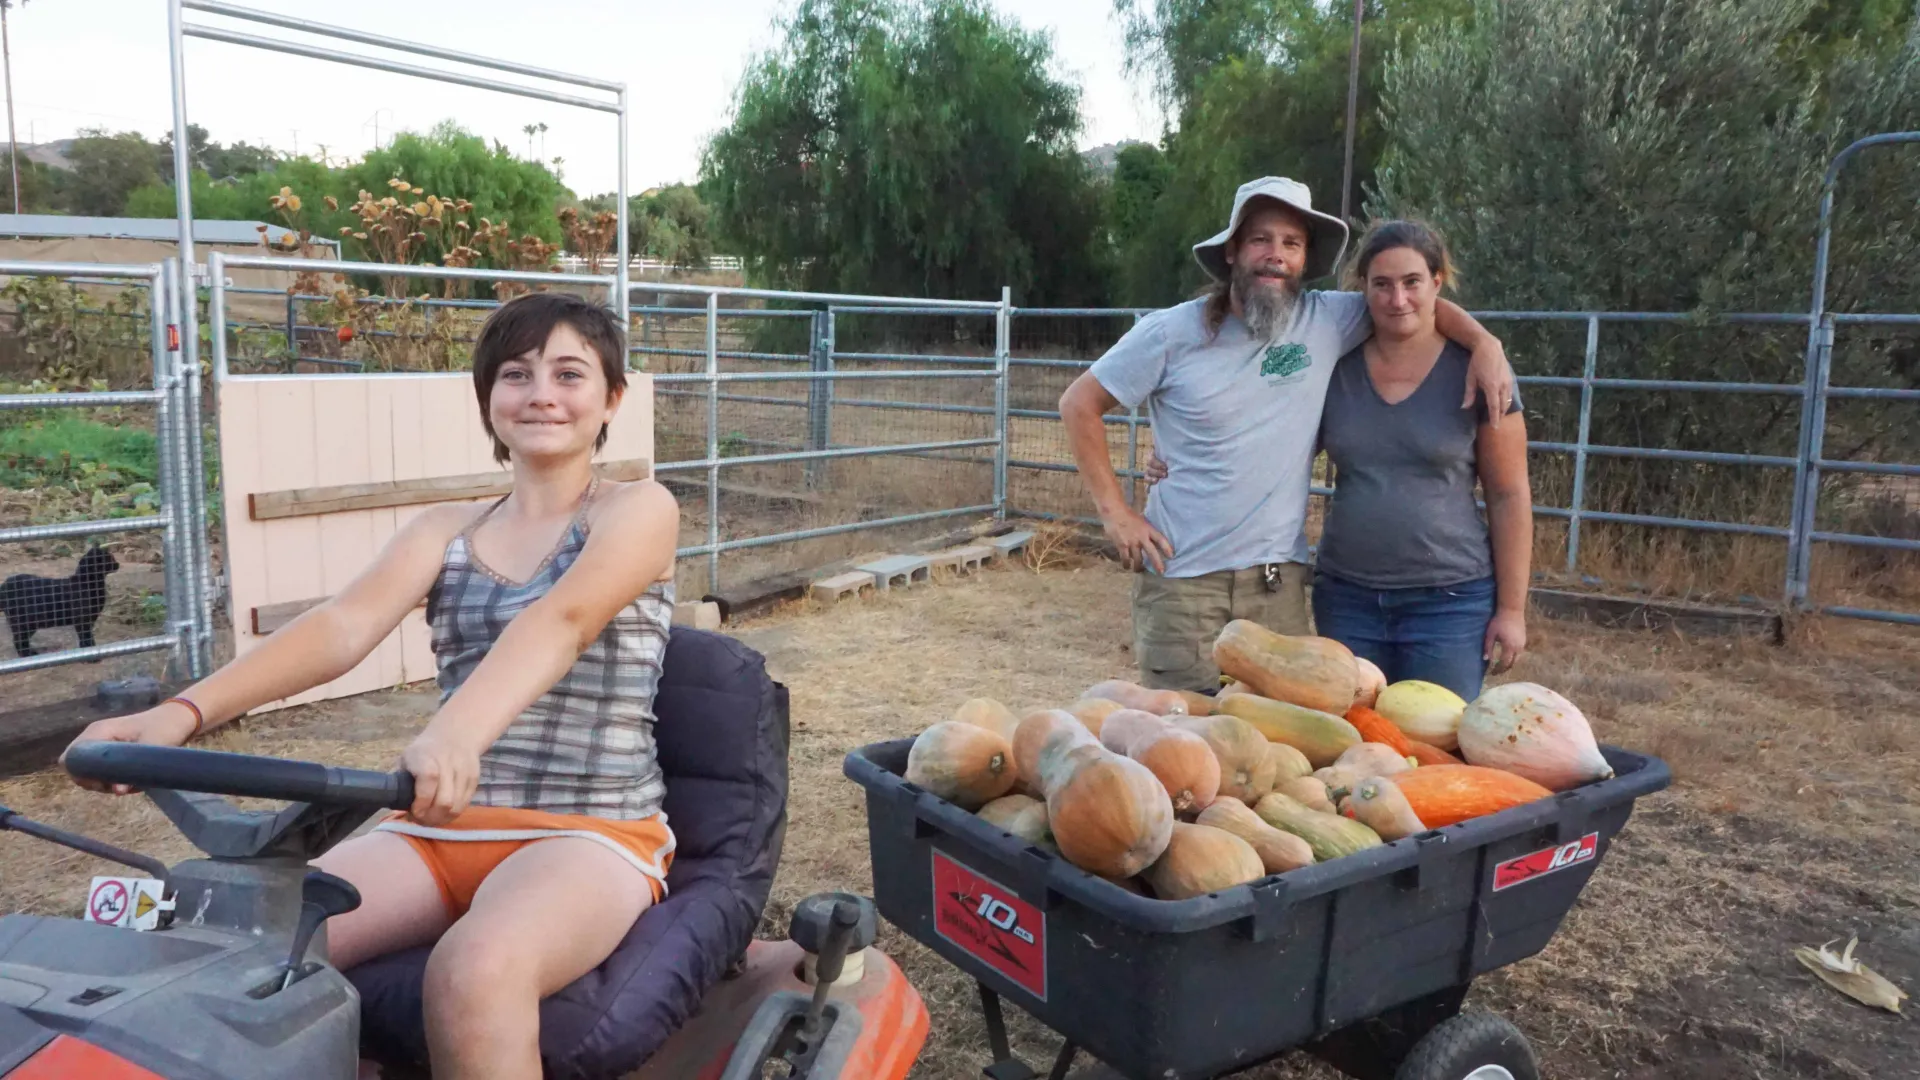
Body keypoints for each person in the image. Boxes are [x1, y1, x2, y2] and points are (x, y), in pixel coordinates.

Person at [60, 291, 681, 1080]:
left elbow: (563, 620)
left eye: (569, 374)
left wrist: (458, 731)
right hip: (435, 828)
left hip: (587, 833)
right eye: (517, 374)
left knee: (473, 972)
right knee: (238, 945)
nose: (542, 394)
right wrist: (180, 714)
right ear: (489, 398)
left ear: (611, 400)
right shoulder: (444, 532)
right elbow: (340, 628)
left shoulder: (639, 509)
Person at [1059, 176, 1515, 693]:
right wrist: (1116, 514)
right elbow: (1079, 404)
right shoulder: (1170, 334)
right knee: (1187, 746)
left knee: (1277, 750)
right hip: (1183, 583)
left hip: (1278, 588)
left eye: (1290, 244)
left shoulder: (1326, 319)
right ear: (1232, 251)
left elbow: (1413, 299)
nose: (1275, 254)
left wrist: (1484, 342)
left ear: (1304, 259)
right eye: (1260, 239)